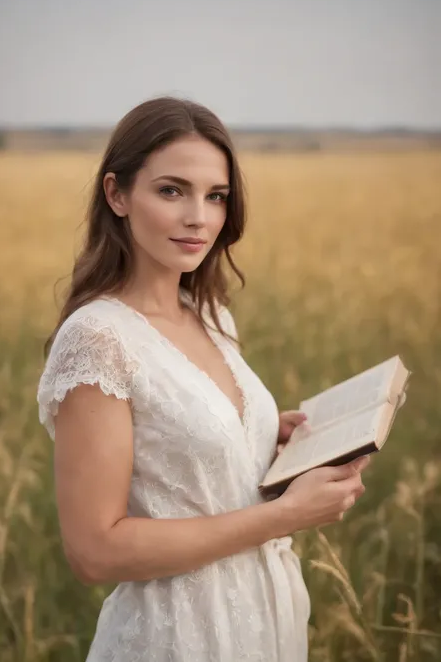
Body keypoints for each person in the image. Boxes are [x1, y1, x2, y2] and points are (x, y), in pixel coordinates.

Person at [37, 96, 370, 662]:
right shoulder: (98, 339)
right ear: (117, 194)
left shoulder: (210, 315)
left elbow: (191, 464)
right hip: (177, 636)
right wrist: (283, 516)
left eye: (216, 196)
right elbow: (95, 550)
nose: (200, 217)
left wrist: (270, 440)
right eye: (172, 190)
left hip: (267, 622)